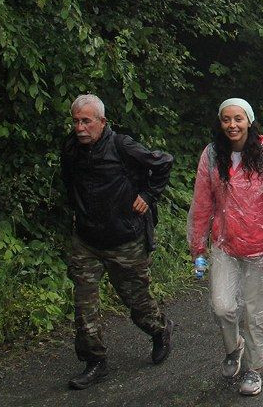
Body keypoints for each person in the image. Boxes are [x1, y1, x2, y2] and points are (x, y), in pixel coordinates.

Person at [61, 94, 174, 390]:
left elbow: (163, 163)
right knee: (83, 301)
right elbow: (69, 183)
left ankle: (160, 329)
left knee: (135, 299)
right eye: (76, 121)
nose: (80, 127)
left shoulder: (121, 145)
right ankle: (95, 361)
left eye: (86, 121)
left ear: (102, 122)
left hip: (124, 238)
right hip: (86, 238)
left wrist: (147, 196)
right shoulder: (71, 148)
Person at [188, 98, 263, 396]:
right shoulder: (212, 154)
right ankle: (234, 348)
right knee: (223, 307)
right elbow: (202, 201)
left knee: (255, 313)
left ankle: (254, 370)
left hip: (258, 248)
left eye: (238, 119)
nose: (232, 125)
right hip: (225, 245)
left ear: (249, 121)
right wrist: (198, 244)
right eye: (226, 119)